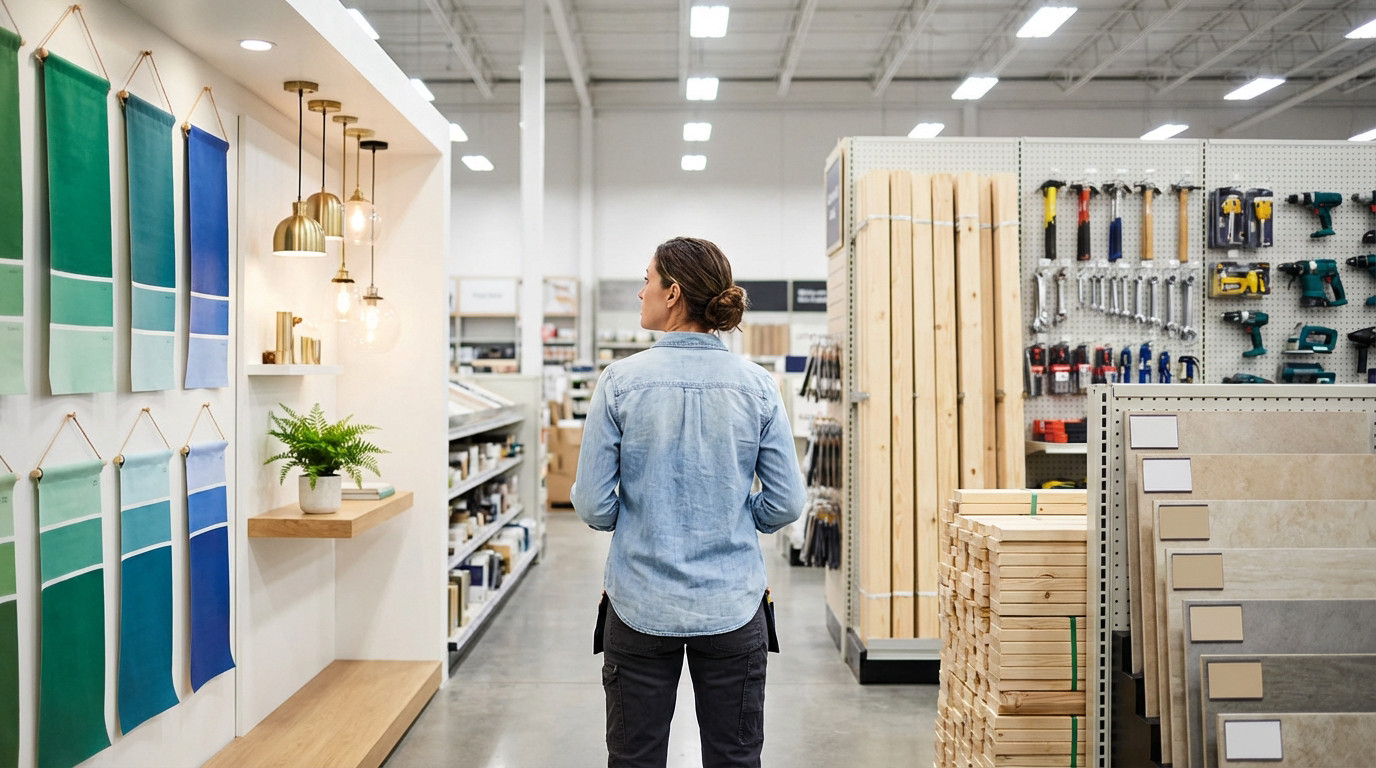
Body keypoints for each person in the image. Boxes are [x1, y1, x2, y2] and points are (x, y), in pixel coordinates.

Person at [572, 236, 807, 768]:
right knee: (734, 757)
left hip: (638, 604)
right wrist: (742, 519)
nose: (640, 292)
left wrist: (631, 518)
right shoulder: (758, 387)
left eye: (647, 280)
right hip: (732, 604)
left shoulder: (619, 383)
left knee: (635, 757)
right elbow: (788, 502)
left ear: (672, 292)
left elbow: (590, 504)